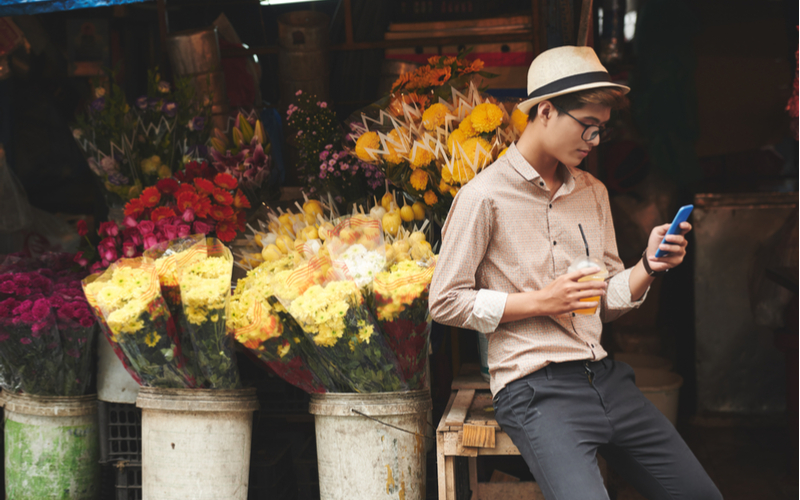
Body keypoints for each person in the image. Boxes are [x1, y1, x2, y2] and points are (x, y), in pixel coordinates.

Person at [429, 46, 722, 500]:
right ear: (545, 111)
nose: (595, 140)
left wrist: (647, 266)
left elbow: (605, 298)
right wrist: (541, 302)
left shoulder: (593, 192)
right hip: (534, 390)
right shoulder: (483, 197)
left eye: (602, 129)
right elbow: (444, 301)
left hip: (605, 378)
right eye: (588, 126)